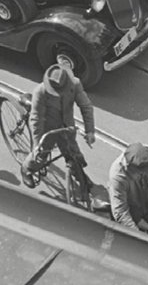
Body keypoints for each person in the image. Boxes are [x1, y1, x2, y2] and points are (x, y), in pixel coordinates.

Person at [22, 57, 96, 189]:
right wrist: (37, 144)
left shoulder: (75, 84)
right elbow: (36, 119)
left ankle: (78, 174)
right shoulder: (41, 92)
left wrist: (90, 131)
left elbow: (86, 107)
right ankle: (26, 169)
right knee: (40, 156)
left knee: (74, 153)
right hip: (47, 128)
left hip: (67, 127)